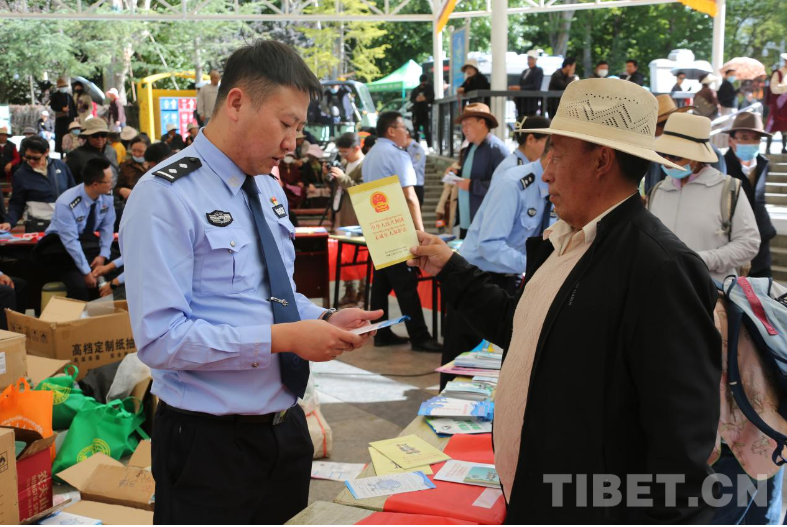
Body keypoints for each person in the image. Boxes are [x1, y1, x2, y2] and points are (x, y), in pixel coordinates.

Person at [407, 78, 721, 523]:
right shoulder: (564, 241)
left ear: (602, 160)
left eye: (556, 154)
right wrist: (450, 268)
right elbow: (520, 327)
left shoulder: (661, 269)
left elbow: (681, 443)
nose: (546, 172)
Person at [119, 40, 381, 525]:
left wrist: (324, 318)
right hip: (210, 445)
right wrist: (285, 339)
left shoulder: (268, 187)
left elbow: (274, 295)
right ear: (236, 103)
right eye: (285, 124)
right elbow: (161, 339)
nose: (292, 142)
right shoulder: (166, 196)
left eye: (299, 128)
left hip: (284, 429)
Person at [441, 137, 554, 389]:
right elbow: (490, 244)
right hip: (478, 280)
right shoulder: (513, 184)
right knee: (462, 374)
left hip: (509, 279)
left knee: (493, 371)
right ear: (552, 158)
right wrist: (533, 267)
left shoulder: (550, 188)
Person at [362, 111, 441, 353]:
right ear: (391, 131)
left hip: (376, 226)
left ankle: (381, 332)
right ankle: (420, 337)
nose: (407, 132)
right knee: (406, 284)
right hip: (396, 226)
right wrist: (420, 232)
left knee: (381, 283)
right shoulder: (397, 154)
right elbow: (410, 197)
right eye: (403, 127)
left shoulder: (371, 154)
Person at [648, 112, 759, 281]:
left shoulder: (727, 189)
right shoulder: (658, 191)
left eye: (675, 156)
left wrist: (702, 260)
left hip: (710, 290)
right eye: (664, 155)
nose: (667, 161)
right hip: (662, 288)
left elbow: (748, 244)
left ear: (697, 157)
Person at [32, 157, 116, 301]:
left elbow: (107, 229)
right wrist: (86, 272)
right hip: (61, 247)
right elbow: (70, 241)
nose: (112, 184)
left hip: (87, 242)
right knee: (80, 286)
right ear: (95, 184)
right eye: (109, 181)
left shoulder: (107, 196)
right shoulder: (67, 202)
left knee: (118, 275)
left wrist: (102, 255)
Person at [722, 112, 776, 278]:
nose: (751, 143)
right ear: (731, 140)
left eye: (756, 138)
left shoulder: (763, 164)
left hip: (761, 240)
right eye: (745, 138)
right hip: (732, 242)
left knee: (764, 287)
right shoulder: (721, 167)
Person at [452, 103, 509, 237]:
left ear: (482, 123)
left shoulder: (498, 150)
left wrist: (472, 185)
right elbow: (472, 174)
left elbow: (505, 187)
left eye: (467, 124)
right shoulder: (470, 147)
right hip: (466, 221)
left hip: (485, 223)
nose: (464, 129)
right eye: (462, 126)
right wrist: (457, 173)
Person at [1, 135, 76, 232]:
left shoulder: (60, 166)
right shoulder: (20, 175)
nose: (31, 161)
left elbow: (73, 193)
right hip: (37, 226)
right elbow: (17, 203)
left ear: (46, 152)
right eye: (28, 157)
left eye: (35, 158)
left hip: (64, 223)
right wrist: (9, 222)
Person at [327, 132, 364, 229]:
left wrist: (342, 177)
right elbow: (332, 187)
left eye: (345, 152)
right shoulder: (344, 163)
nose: (342, 155)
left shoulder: (365, 166)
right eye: (340, 152)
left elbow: (362, 191)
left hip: (354, 217)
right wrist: (327, 175)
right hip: (338, 213)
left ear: (356, 148)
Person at [66, 119, 119, 185]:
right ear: (87, 137)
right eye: (95, 136)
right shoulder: (76, 155)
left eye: (103, 135)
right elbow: (68, 180)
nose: (100, 139)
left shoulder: (112, 151)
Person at [509, 50, 544, 118]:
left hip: (530, 103)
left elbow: (536, 86)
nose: (530, 60)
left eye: (532, 59)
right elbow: (521, 83)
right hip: (521, 103)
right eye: (529, 58)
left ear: (536, 59)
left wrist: (520, 88)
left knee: (529, 121)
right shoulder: (525, 71)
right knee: (520, 120)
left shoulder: (538, 70)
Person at [765, 52, 787, 153]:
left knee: (785, 127)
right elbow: (774, 88)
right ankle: (768, 148)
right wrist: (785, 87)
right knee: (773, 125)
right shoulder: (778, 73)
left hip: (786, 106)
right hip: (778, 105)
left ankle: (784, 147)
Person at [51, 77, 76, 154]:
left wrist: (75, 116)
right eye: (62, 87)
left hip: (69, 119)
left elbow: (73, 107)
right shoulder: (55, 96)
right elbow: (53, 106)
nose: (63, 88)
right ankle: (60, 151)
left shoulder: (69, 96)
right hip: (60, 119)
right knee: (60, 136)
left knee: (70, 135)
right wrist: (62, 108)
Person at [409, 74, 435, 148]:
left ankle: (429, 146)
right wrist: (416, 100)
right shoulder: (415, 90)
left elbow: (432, 98)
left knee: (427, 130)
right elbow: (411, 99)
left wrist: (425, 99)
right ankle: (416, 146)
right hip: (416, 113)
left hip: (425, 112)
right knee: (416, 130)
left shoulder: (429, 88)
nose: (423, 84)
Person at [406, 128, 426, 206]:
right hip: (406, 185)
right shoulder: (402, 148)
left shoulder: (417, 149)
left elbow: (414, 167)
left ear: (407, 136)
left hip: (416, 185)